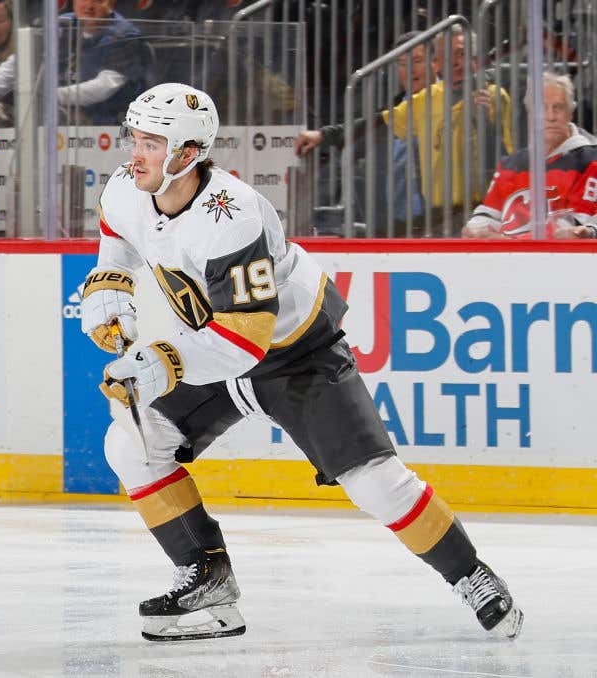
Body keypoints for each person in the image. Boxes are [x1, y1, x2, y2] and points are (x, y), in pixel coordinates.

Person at [81, 82, 524, 642]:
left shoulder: (232, 215)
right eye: (134, 137)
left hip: (294, 353)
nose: (134, 152)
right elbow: (118, 236)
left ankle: (472, 575)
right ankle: (208, 578)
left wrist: (160, 362)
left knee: (375, 483)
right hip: (212, 345)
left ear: (188, 154)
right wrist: (110, 282)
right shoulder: (126, 187)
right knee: (131, 443)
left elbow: (247, 340)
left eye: (151, 141)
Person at [296, 26, 513, 236]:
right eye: (446, 56)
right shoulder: (419, 103)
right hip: (424, 223)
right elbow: (375, 123)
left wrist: (482, 121)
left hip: (474, 216)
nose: (455, 63)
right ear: (438, 63)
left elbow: (504, 162)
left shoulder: (492, 96)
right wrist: (324, 134)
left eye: (462, 54)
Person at [295, 31, 434, 233]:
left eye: (418, 60)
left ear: (435, 62)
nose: (410, 69)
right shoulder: (396, 106)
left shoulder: (451, 100)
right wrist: (323, 135)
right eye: (403, 64)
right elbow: (364, 126)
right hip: (395, 222)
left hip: (437, 220)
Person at [463, 71, 597, 240]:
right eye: (542, 108)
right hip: (507, 259)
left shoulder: (590, 161)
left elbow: (571, 232)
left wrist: (507, 242)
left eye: (558, 107)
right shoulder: (512, 163)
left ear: (570, 114)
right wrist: (476, 229)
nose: (550, 117)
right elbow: (488, 215)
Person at [0, 0, 146, 126]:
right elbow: (18, 63)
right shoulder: (61, 26)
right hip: (56, 120)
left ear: (111, 2)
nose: (88, 5)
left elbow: (104, 87)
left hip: (107, 128)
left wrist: (50, 96)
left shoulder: (125, 35)